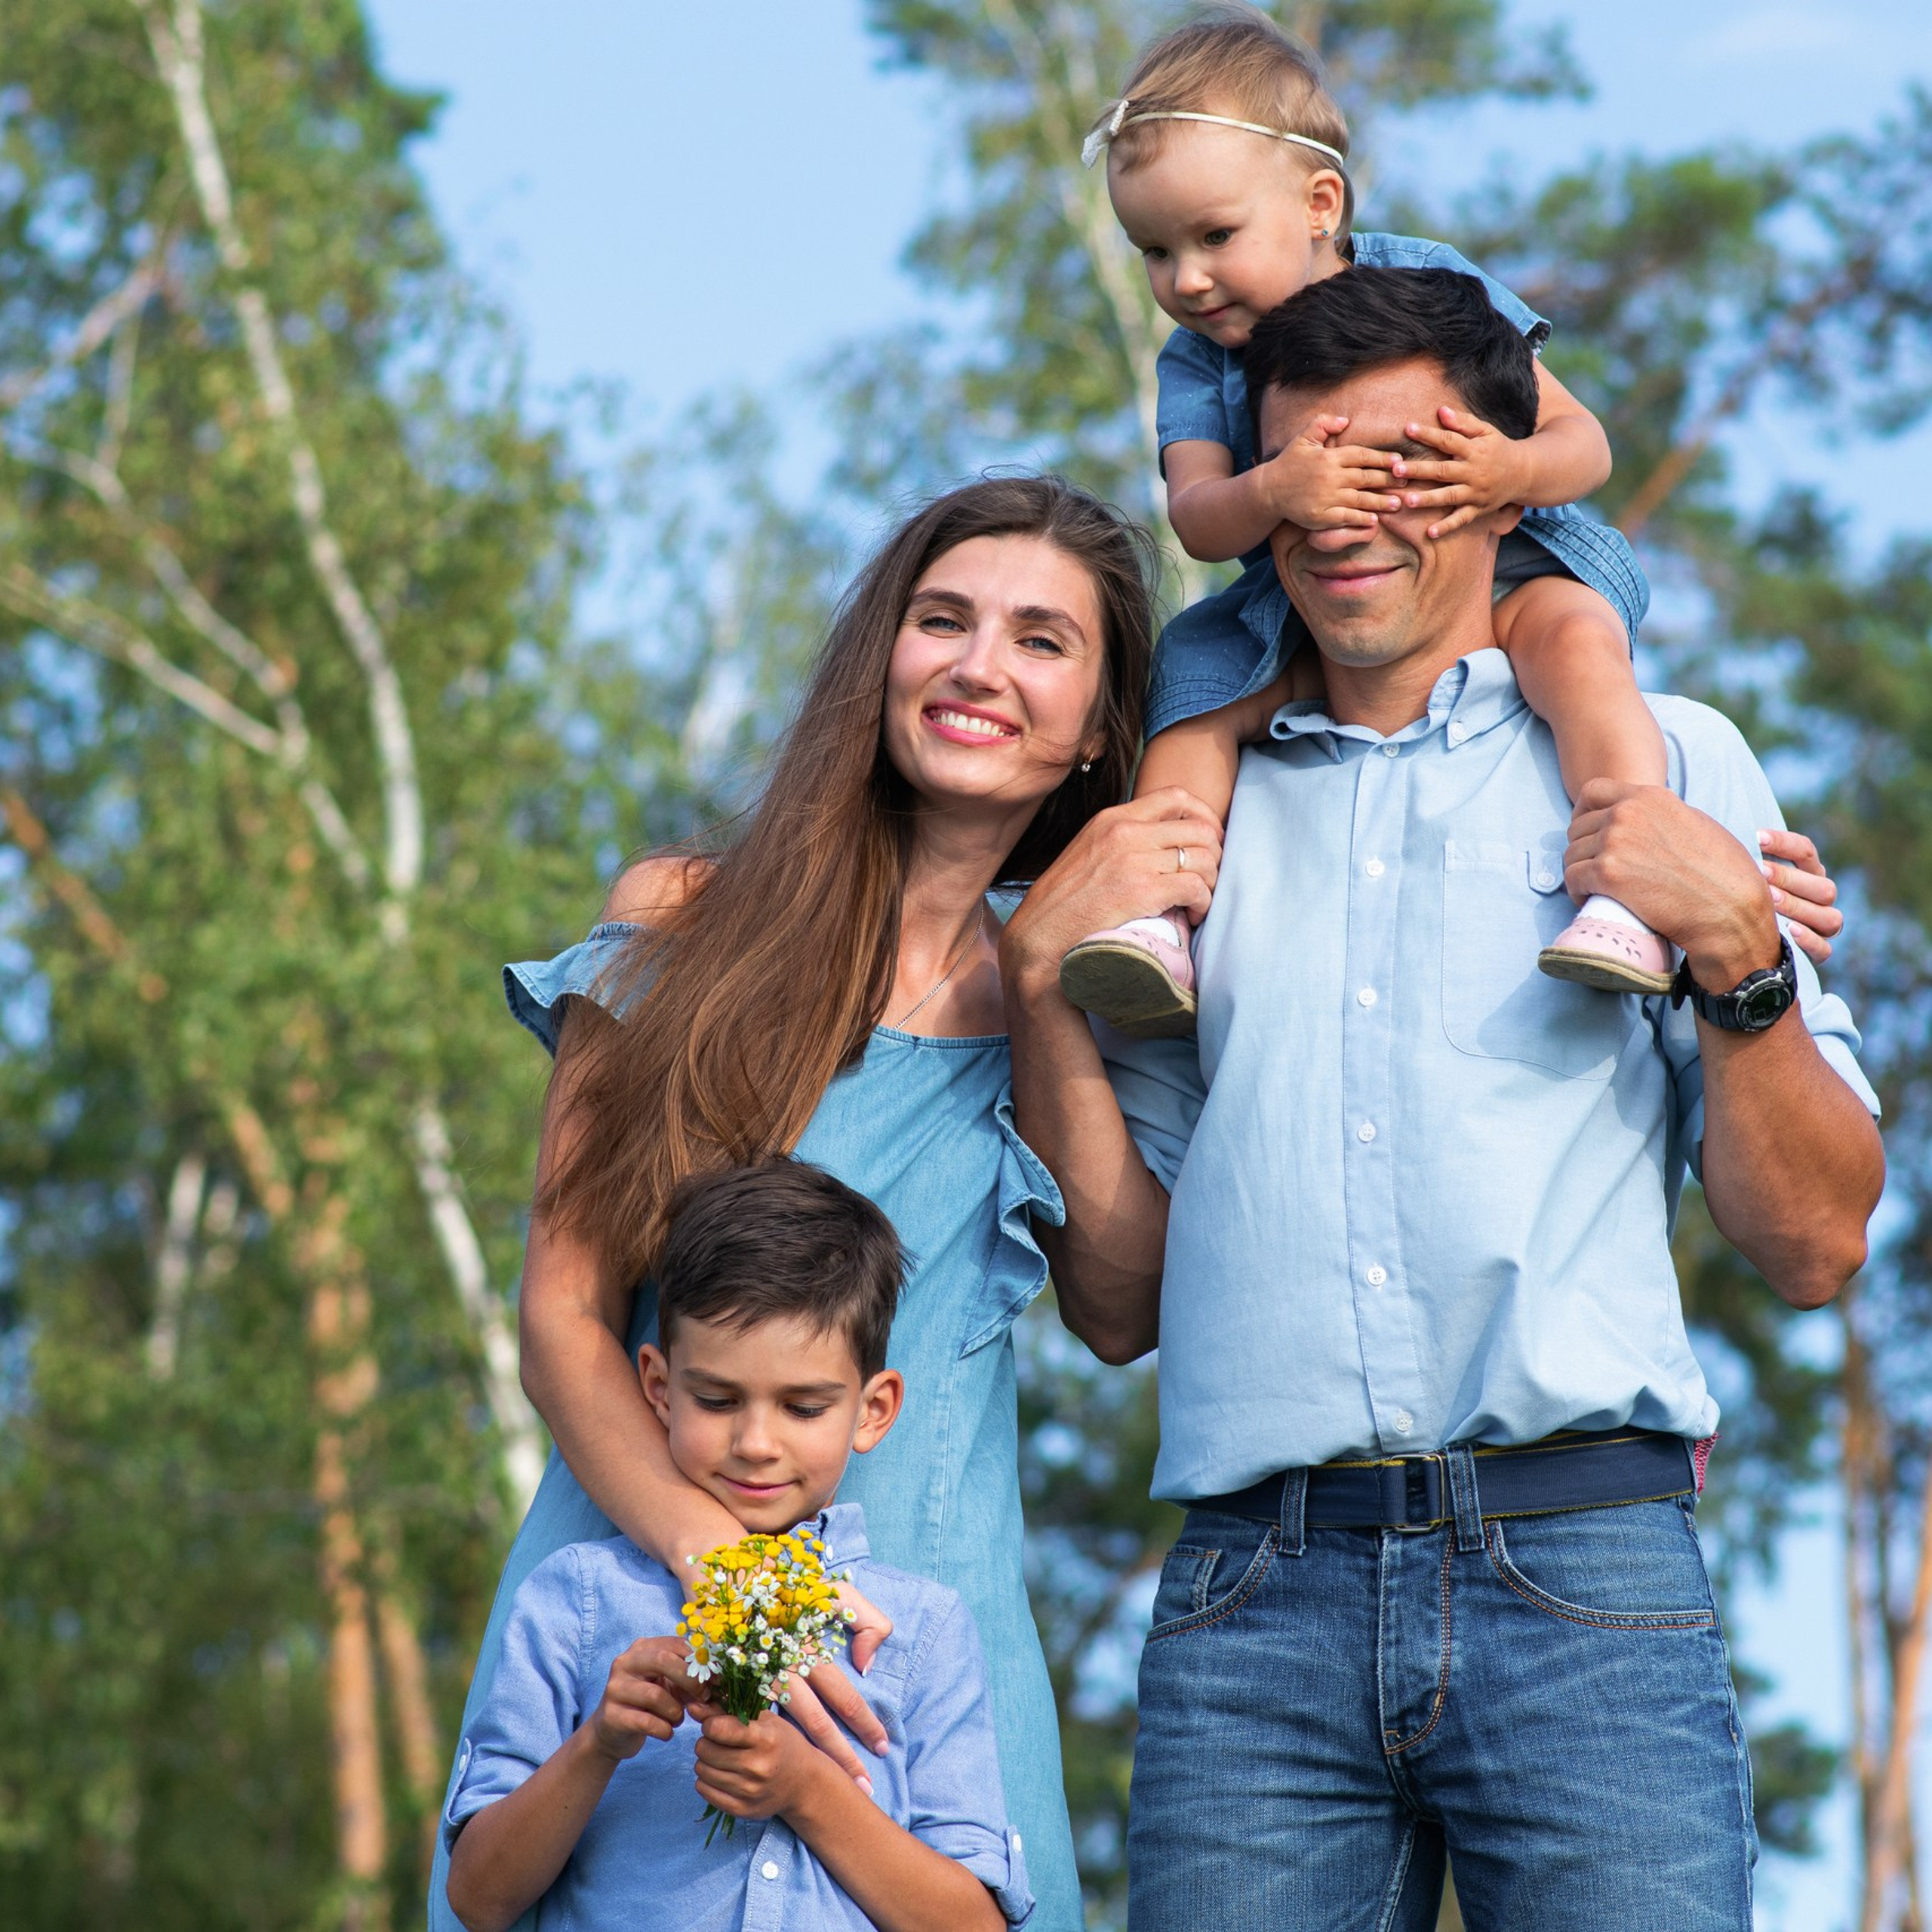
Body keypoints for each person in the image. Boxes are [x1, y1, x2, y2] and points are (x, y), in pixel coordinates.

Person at [1001, 266, 1884, 1929]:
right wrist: (1040, 990)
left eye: (1401, 464)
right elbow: (1116, 1308)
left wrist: (1739, 955)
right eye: (1304, 470)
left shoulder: (1667, 761)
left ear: (1503, 483)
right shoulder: (1178, 839)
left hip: (1588, 1573)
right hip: (1249, 1604)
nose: (1345, 512)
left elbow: (1817, 1243)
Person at [428, 475, 1157, 1932]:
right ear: (880, 657)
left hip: (922, 1661)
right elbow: (564, 1315)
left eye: (1041, 640)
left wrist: (1038, 984)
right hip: (642, 1617)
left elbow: (1124, 1311)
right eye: (942, 621)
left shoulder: (1084, 987)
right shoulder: (679, 919)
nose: (979, 666)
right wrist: (726, 1578)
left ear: (1097, 727)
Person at [1057, 5, 1674, 1036]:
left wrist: (1510, 467)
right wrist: (1273, 491)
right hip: (1307, 605)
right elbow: (1199, 520)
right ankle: (1160, 916)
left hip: (1506, 561)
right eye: (1152, 251)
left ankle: (1630, 883)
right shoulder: (1197, 363)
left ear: (1319, 203)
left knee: (1575, 647)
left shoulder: (1426, 284)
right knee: (1197, 687)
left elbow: (1586, 444)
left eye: (1214, 237)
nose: (1185, 280)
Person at [444, 1160, 1029, 1932]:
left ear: (874, 1408)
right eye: (717, 1399)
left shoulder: (921, 1631)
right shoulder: (578, 1600)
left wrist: (807, 1790)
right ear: (658, 1387)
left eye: (803, 1407)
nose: (756, 1443)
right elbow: (478, 1897)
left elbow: (974, 1923)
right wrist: (599, 1744)